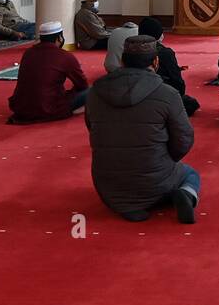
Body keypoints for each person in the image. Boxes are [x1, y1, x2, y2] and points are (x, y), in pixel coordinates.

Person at [85, 34, 200, 224]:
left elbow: (92, 128)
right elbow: (184, 139)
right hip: (155, 181)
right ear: (155, 62)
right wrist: (164, 160)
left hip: (107, 185)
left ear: (122, 61)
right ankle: (186, 194)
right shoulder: (167, 94)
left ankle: (130, 204)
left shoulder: (95, 92)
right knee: (190, 173)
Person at [7, 21, 89, 123]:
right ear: (59, 38)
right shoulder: (65, 56)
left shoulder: (28, 53)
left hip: (21, 108)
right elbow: (82, 85)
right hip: (49, 108)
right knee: (91, 91)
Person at [138, 17, 199, 115]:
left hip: (135, 95)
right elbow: (178, 84)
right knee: (190, 103)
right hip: (159, 96)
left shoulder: (130, 48)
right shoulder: (165, 53)